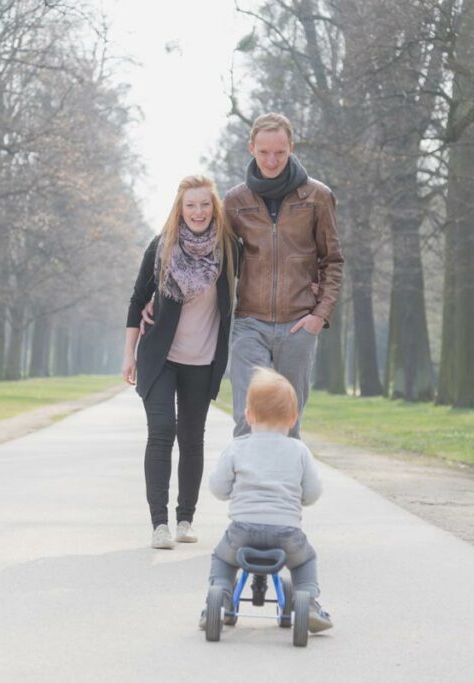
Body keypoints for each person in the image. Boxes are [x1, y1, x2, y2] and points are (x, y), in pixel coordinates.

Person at [142, 112, 343, 438]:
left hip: (299, 324)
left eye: (279, 152)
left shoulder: (317, 197)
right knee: (248, 418)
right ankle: (245, 473)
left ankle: (286, 474)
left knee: (288, 422)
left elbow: (332, 260)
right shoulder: (236, 201)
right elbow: (202, 251)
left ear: (291, 147)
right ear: (251, 148)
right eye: (264, 152)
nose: (272, 160)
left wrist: (319, 315)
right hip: (250, 324)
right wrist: (158, 296)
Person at [123, 175, 239, 550]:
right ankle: (159, 524)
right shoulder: (161, 247)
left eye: (205, 204)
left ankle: (185, 519)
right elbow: (136, 299)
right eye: (191, 205)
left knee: (192, 439)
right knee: (161, 431)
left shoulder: (228, 250)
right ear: (180, 208)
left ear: (214, 208)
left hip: (203, 360)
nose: (198, 212)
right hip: (161, 358)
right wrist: (128, 354)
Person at [200, 367, 332, 633]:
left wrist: (232, 492)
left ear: (248, 415)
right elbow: (313, 492)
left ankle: (220, 598)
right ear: (293, 418)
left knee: (222, 559)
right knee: (305, 561)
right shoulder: (299, 451)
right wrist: (299, 499)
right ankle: (308, 602)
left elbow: (218, 488)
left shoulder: (237, 447)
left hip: (242, 533)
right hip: (287, 534)